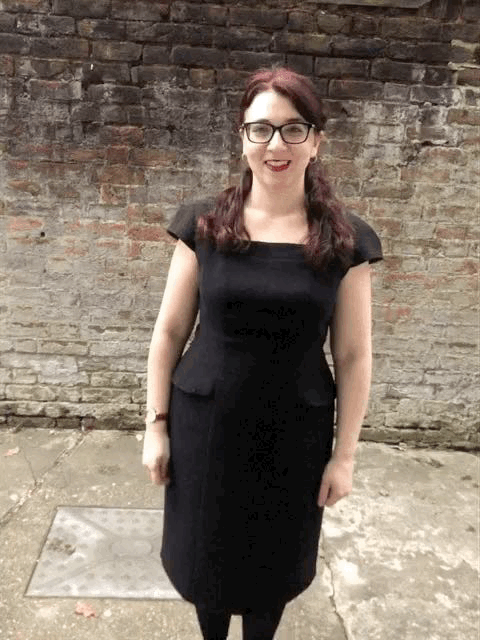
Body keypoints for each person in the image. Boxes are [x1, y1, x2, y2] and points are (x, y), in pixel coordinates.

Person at [142, 66, 383, 640]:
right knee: (204, 562)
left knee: (271, 568)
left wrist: (344, 457)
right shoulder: (203, 224)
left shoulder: (345, 240)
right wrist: (156, 426)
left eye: (293, 129)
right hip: (205, 428)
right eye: (261, 129)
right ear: (242, 138)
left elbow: (354, 356)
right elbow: (169, 333)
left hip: (295, 437)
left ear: (316, 141)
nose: (276, 145)